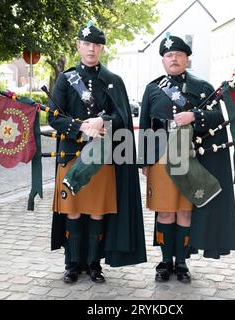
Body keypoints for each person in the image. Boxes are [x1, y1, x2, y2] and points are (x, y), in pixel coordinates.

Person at [49, 22, 146, 284]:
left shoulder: (112, 81)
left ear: (101, 48)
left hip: (101, 157)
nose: (91, 49)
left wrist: (103, 120)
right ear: (79, 46)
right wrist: (81, 128)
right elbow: (54, 117)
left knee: (96, 210)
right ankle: (72, 264)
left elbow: (122, 117)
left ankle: (93, 264)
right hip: (71, 155)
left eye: (96, 45)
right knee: (72, 209)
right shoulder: (65, 79)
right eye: (86, 44)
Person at [138, 35, 235, 283]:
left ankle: (182, 263)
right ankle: (165, 262)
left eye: (179, 55)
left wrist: (194, 116)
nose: (174, 59)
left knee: (184, 212)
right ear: (163, 60)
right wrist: (143, 161)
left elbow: (218, 118)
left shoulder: (202, 87)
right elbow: (144, 127)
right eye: (169, 56)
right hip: (161, 158)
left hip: (189, 158)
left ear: (187, 59)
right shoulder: (152, 89)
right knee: (165, 213)